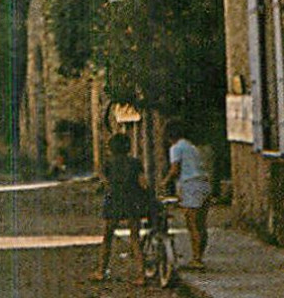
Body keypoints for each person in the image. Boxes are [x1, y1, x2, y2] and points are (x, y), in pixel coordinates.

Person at [90, 131, 150, 285]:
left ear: (111, 148)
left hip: (114, 202)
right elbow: (143, 183)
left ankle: (101, 271)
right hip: (132, 202)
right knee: (135, 238)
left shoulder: (108, 164)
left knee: (107, 237)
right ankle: (141, 275)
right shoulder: (135, 163)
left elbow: (104, 183)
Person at [163, 119, 211, 268]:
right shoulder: (191, 146)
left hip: (190, 185)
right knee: (201, 225)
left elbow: (175, 169)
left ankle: (196, 259)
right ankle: (199, 256)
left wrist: (164, 182)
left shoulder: (176, 148)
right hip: (204, 184)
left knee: (192, 224)